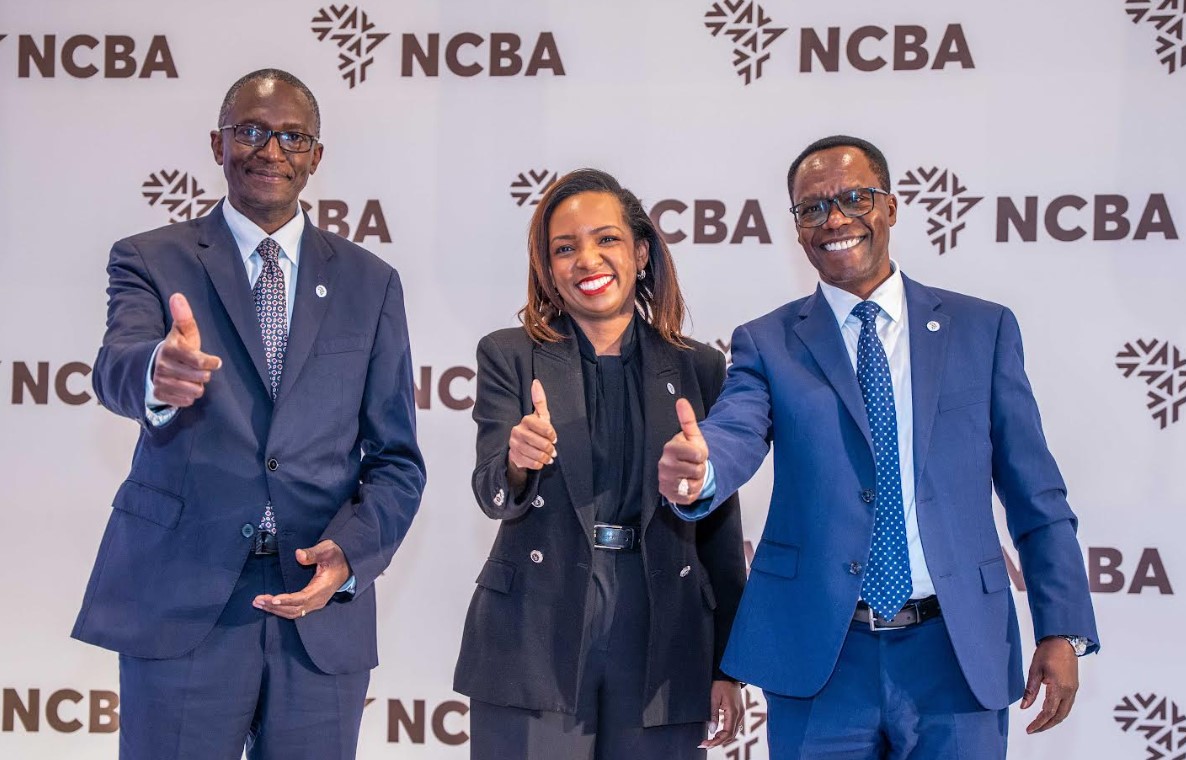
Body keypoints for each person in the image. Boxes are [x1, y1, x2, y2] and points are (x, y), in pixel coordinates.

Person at [658, 135, 1098, 759]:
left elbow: (1036, 493)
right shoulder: (767, 341)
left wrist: (1062, 627)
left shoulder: (983, 329)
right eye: (813, 208)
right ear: (797, 228)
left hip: (956, 652)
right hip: (822, 656)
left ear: (890, 207)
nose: (834, 219)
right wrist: (702, 471)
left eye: (854, 198)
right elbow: (736, 431)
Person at [71, 68, 426, 760]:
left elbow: (397, 460)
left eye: (292, 137)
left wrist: (350, 555)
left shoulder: (371, 283)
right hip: (182, 599)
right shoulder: (149, 258)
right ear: (218, 144)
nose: (271, 151)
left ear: (315, 156)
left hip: (316, 608)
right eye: (251, 132)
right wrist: (157, 372)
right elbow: (117, 365)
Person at [453, 168, 748, 759]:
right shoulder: (508, 354)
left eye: (606, 239)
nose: (587, 260)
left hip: (664, 631)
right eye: (565, 248)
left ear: (641, 252)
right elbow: (491, 490)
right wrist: (517, 461)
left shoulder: (699, 368)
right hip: (534, 631)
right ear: (547, 268)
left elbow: (720, 528)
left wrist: (727, 664)